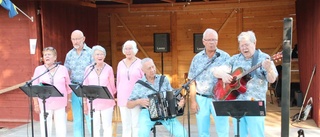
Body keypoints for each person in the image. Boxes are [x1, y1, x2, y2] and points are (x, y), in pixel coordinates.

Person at [213, 31, 278, 137]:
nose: (244, 48)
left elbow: (272, 79)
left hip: (255, 105)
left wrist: (269, 68)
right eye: (241, 46)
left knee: (256, 135)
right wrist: (223, 75)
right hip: (237, 105)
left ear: (254, 43)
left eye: (246, 45)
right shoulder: (235, 59)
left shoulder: (264, 58)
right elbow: (215, 71)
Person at [127, 58, 188, 137]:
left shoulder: (163, 79)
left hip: (166, 111)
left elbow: (172, 97)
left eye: (153, 67)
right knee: (142, 133)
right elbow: (128, 104)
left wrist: (179, 103)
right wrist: (138, 101)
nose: (152, 70)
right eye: (149, 68)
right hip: (148, 112)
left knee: (182, 134)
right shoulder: (139, 84)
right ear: (143, 70)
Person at [188, 28, 230, 137]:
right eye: (209, 40)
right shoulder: (197, 58)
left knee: (223, 130)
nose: (212, 42)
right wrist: (193, 101)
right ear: (203, 41)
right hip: (201, 98)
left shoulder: (225, 56)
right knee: (203, 132)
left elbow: (232, 79)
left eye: (214, 40)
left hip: (220, 98)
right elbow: (192, 81)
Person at [32, 47, 72, 137]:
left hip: (60, 103)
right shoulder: (39, 70)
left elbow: (68, 87)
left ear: (55, 57)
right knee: (45, 127)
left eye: (49, 54)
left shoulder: (63, 69)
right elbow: (34, 88)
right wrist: (36, 104)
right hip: (45, 103)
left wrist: (69, 101)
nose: (47, 56)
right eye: (45, 55)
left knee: (61, 127)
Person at [64, 30, 93, 137]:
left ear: (83, 39)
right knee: (77, 119)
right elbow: (66, 73)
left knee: (90, 118)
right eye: (73, 39)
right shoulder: (69, 54)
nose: (75, 42)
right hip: (75, 89)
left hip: (88, 89)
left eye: (77, 39)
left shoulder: (91, 53)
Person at [83, 45, 116, 137]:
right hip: (93, 102)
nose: (99, 56)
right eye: (97, 54)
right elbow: (85, 86)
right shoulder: (88, 69)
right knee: (95, 126)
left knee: (107, 126)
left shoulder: (109, 68)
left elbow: (112, 87)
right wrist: (85, 103)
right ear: (93, 56)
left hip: (107, 102)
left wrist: (112, 99)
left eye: (102, 54)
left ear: (104, 56)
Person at [116, 40, 144, 137]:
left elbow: (144, 81)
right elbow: (118, 81)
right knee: (125, 124)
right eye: (126, 49)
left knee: (136, 124)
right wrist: (118, 95)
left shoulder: (140, 63)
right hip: (123, 98)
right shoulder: (120, 63)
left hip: (136, 98)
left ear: (135, 50)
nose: (128, 51)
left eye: (130, 49)